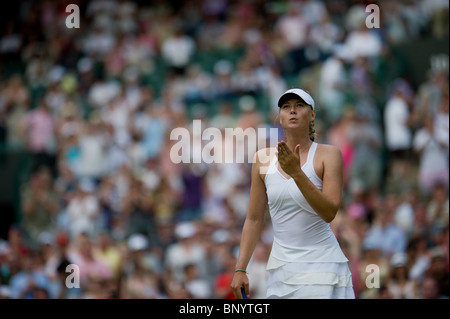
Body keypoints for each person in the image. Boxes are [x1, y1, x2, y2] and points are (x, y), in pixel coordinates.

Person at [231, 88, 355, 299]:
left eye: (299, 106)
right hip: (282, 270)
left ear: (312, 114)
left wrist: (297, 173)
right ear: (279, 117)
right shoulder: (262, 159)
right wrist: (241, 268)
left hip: (323, 265)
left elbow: (329, 212)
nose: (293, 111)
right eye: (286, 107)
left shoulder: (329, 155)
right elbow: (253, 219)